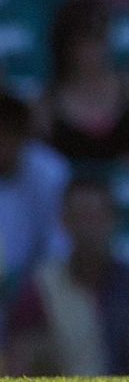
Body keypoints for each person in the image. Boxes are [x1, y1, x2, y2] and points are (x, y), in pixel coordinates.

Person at [3, 179, 129, 375]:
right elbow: (18, 367)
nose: (88, 228)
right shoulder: (41, 288)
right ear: (64, 222)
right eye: (80, 217)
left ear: (114, 220)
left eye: (96, 217)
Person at [44, 0, 129, 165]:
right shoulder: (47, 108)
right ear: (65, 45)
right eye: (83, 39)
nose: (92, 49)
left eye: (98, 36)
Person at [0, 91, 70, 292]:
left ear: (23, 134)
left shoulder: (49, 171)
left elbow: (58, 243)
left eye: (9, 131)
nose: (3, 140)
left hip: (37, 288)